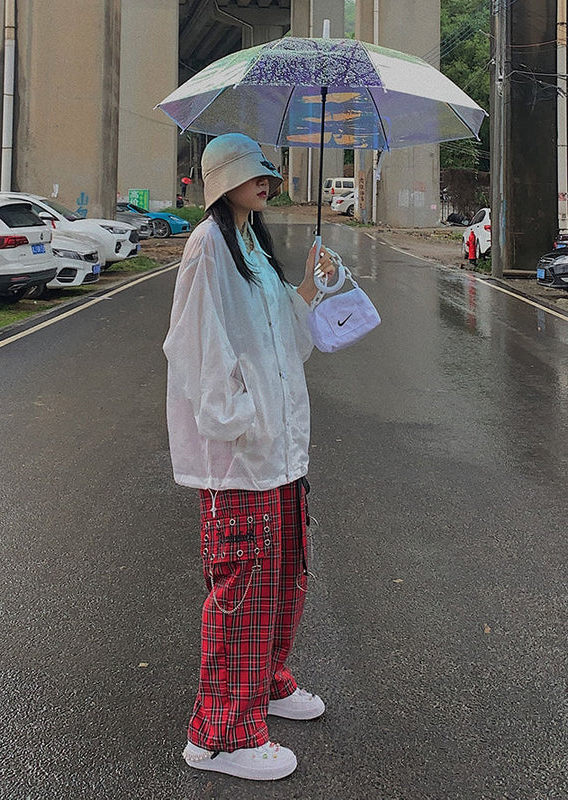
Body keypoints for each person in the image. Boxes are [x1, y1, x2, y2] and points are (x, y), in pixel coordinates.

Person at [163, 133, 335, 782]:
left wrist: (311, 289)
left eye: (267, 171)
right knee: (242, 589)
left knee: (282, 578)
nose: (266, 179)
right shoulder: (208, 247)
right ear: (217, 182)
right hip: (242, 458)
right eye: (250, 172)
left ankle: (265, 684)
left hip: (281, 452)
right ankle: (220, 735)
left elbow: (286, 341)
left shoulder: (254, 250)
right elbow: (197, 349)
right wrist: (241, 425)